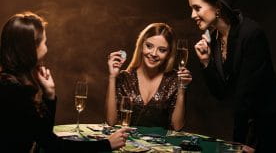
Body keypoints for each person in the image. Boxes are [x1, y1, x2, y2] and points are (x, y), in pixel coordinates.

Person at [183, 0, 276, 152]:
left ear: (217, 6)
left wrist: (238, 144)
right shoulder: (215, 37)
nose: (193, 15)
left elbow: (246, 94)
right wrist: (206, 62)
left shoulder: (251, 33)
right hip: (252, 124)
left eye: (197, 8)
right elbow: (220, 93)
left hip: (274, 125)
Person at [0, 12, 130, 153]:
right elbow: (52, 145)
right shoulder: (13, 92)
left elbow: (42, 134)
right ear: (30, 49)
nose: (46, 48)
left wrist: (49, 94)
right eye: (44, 42)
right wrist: (107, 144)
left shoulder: (9, 82)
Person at [105, 23, 192, 131]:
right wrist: (112, 77)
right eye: (149, 46)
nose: (154, 53)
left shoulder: (174, 79)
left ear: (169, 54)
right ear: (141, 46)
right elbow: (111, 121)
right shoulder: (124, 77)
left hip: (160, 146)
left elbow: (177, 127)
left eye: (162, 50)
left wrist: (182, 89)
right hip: (127, 144)